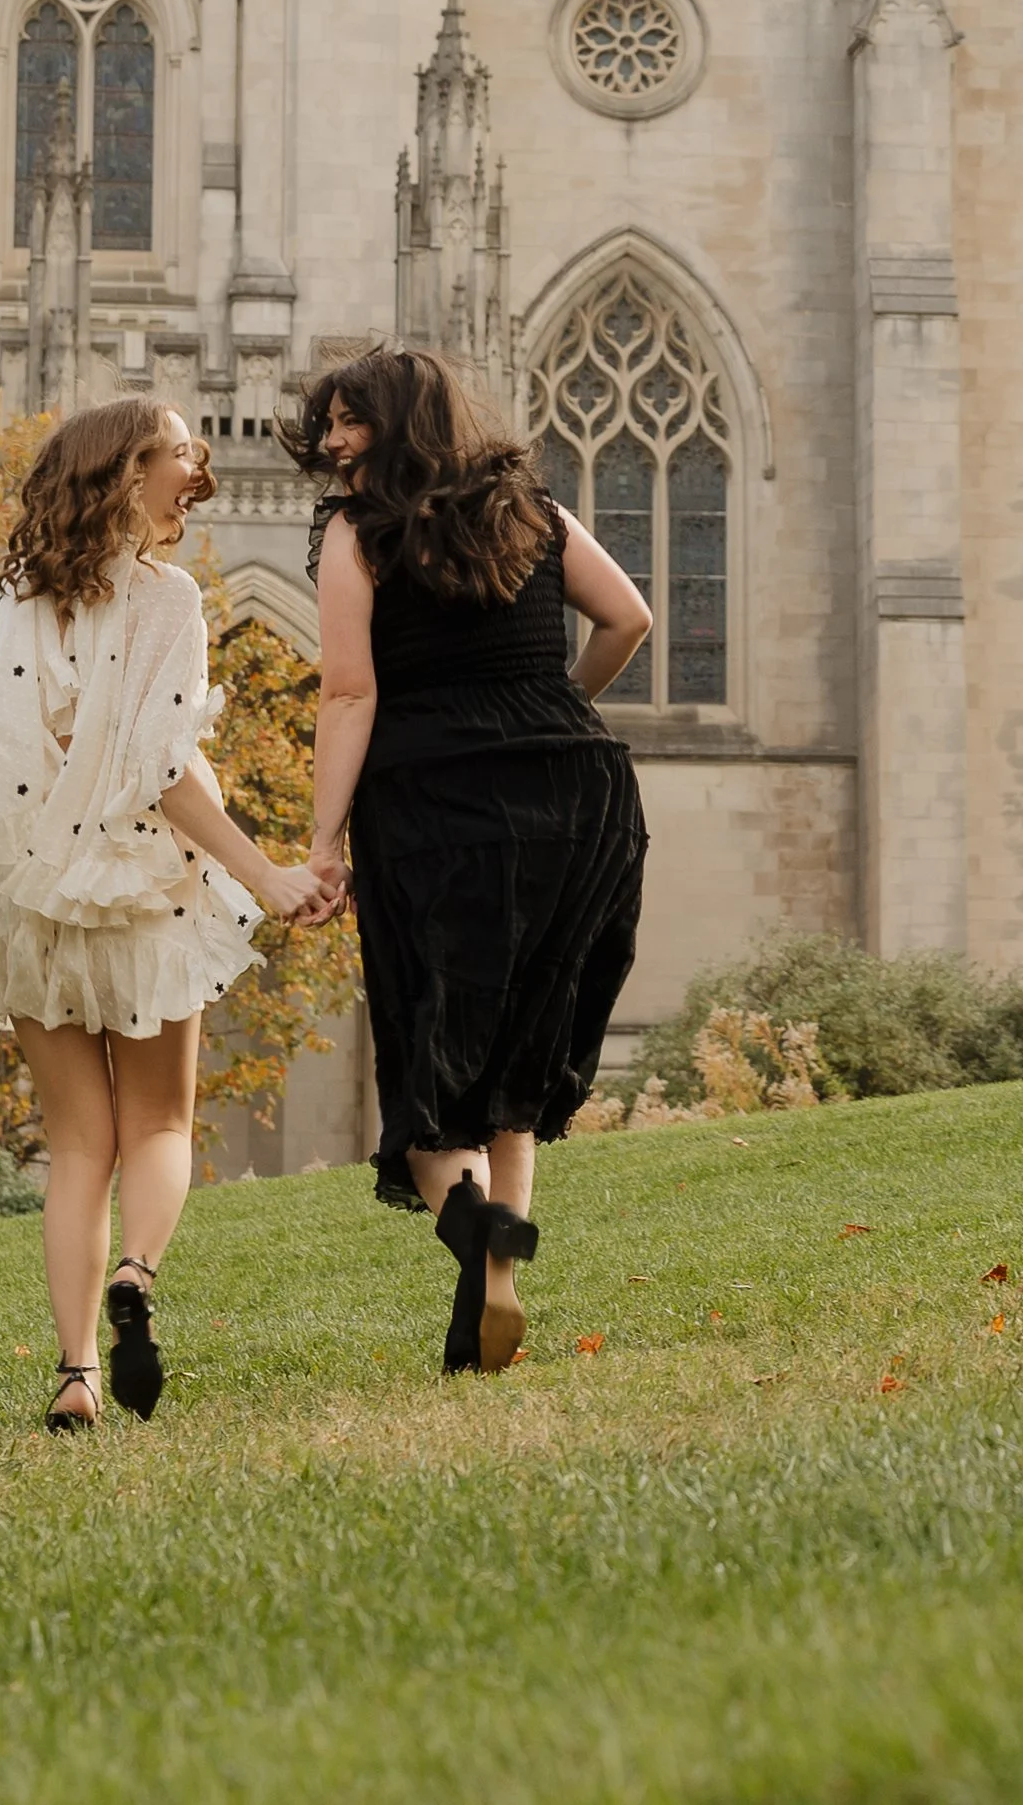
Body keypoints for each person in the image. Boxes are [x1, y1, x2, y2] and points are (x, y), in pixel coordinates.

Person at [0, 399, 333, 1432]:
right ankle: (138, 1274)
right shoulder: (167, 601)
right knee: (159, 1123)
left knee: (76, 1147)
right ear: (132, 471)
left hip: (24, 905)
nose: (193, 475)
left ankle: (74, 1375)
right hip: (141, 889)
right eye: (181, 458)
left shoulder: (13, 600)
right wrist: (268, 875)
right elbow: (166, 775)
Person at [284, 347, 653, 1374]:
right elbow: (630, 617)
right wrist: (565, 706)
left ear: (398, 427)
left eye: (352, 422)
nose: (332, 443)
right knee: (512, 1068)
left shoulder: (356, 534)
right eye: (329, 424)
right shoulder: (528, 505)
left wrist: (320, 843)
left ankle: (478, 1227)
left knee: (424, 1073)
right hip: (581, 800)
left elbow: (349, 694)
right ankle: (492, 1299)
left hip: (436, 807)